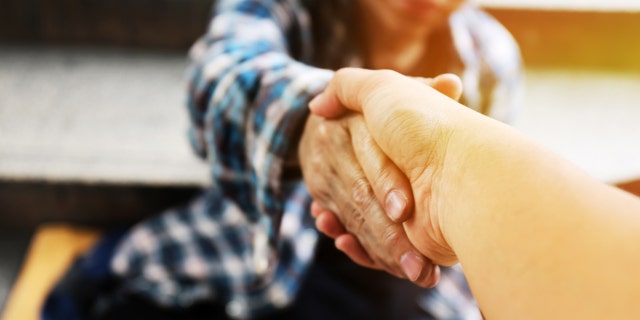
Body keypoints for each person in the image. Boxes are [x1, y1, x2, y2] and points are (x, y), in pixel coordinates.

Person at [42, 0, 521, 319]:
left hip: (385, 280)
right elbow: (221, 74)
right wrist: (312, 123)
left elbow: (479, 203)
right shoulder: (284, 8)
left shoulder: (490, 56)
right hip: (247, 255)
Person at [309, 67, 640, 319]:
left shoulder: (492, 55)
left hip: (434, 284)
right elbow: (260, 72)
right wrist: (310, 122)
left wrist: (439, 166)